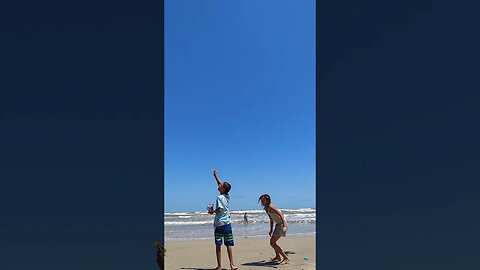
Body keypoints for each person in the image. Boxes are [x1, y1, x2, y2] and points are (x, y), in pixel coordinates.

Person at [208, 169, 238, 270]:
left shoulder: (219, 197)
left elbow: (219, 210)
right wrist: (216, 177)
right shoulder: (227, 196)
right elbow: (221, 184)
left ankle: (219, 266)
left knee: (218, 245)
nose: (219, 184)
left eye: (221, 185)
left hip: (219, 224)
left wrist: (212, 212)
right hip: (227, 223)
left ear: (222, 189)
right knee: (229, 244)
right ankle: (232, 265)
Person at [258, 194, 289, 264]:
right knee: (272, 242)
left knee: (272, 243)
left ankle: (285, 258)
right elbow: (271, 219)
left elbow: (281, 214)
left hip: (281, 224)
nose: (262, 202)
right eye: (261, 201)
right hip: (278, 224)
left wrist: (284, 226)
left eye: (263, 201)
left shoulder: (271, 207)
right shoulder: (266, 208)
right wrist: (271, 230)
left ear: (268, 200)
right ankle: (278, 257)